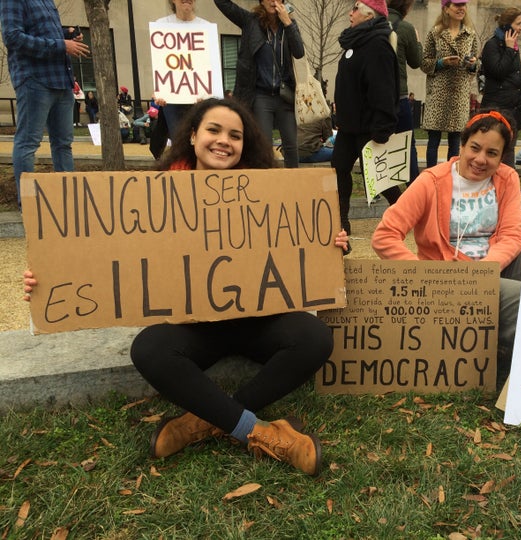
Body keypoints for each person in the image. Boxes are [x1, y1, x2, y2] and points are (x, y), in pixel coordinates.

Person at [23, 98, 350, 476]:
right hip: (194, 327)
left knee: (316, 338)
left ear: (246, 145)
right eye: (213, 130)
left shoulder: (272, 192)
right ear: (193, 135)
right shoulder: (154, 196)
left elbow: (303, 250)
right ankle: (255, 430)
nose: (223, 141)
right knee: (148, 349)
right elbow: (105, 254)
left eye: (235, 135)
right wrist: (47, 276)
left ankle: (203, 422)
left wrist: (329, 244)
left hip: (259, 321)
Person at [372, 110, 521, 379]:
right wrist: (422, 273)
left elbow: (512, 236)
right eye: (475, 148)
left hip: (492, 270)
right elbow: (384, 236)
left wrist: (484, 271)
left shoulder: (507, 178)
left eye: (492, 153)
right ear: (461, 146)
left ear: (502, 157)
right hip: (450, 285)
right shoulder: (431, 181)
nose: (480, 159)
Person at [0, 3, 90, 209]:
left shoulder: (47, 2)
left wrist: (65, 35)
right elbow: (12, 37)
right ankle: (29, 205)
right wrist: (62, 45)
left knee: (63, 144)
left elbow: (43, 33)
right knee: (28, 143)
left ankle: (70, 201)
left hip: (62, 81)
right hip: (34, 81)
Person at [332, 0, 402, 247]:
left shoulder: (377, 45)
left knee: (379, 179)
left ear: (368, 14)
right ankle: (340, 220)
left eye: (355, 9)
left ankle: (405, 212)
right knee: (338, 169)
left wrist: (382, 127)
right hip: (349, 126)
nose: (350, 13)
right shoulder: (356, 42)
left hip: (369, 127)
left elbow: (383, 89)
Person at [214, 0, 305, 168]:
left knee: (291, 145)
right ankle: (266, 186)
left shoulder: (289, 25)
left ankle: (294, 187)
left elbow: (299, 52)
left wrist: (288, 23)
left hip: (284, 94)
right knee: (264, 145)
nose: (273, 1)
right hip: (261, 95)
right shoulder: (250, 21)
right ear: (261, 2)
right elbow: (223, 4)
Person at [420, 0, 478, 168]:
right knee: (433, 141)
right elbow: (424, 63)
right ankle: (431, 176)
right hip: (438, 93)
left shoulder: (470, 34)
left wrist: (472, 63)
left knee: (455, 141)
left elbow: (476, 64)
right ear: (446, 8)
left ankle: (451, 177)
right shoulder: (435, 33)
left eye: (463, 5)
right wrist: (441, 63)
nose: (461, 9)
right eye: (456, 5)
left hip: (459, 94)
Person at [153, 0, 211, 141]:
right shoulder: (161, 26)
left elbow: (209, 66)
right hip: (172, 101)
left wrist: (208, 92)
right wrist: (160, 90)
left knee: (203, 142)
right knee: (179, 144)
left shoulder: (206, 28)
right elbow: (160, 64)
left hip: (200, 100)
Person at [480, 7, 521, 167]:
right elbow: (498, 71)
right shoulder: (492, 45)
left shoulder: (513, 46)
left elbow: (516, 74)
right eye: (518, 24)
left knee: (509, 148)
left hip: (513, 106)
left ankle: (509, 182)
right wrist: (508, 49)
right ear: (507, 25)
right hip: (497, 106)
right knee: (496, 146)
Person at [388, 0, 422, 183]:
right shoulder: (406, 28)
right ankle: (414, 191)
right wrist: (417, 42)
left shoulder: (373, 24)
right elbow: (416, 62)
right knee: (408, 146)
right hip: (398, 94)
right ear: (407, 7)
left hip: (375, 97)